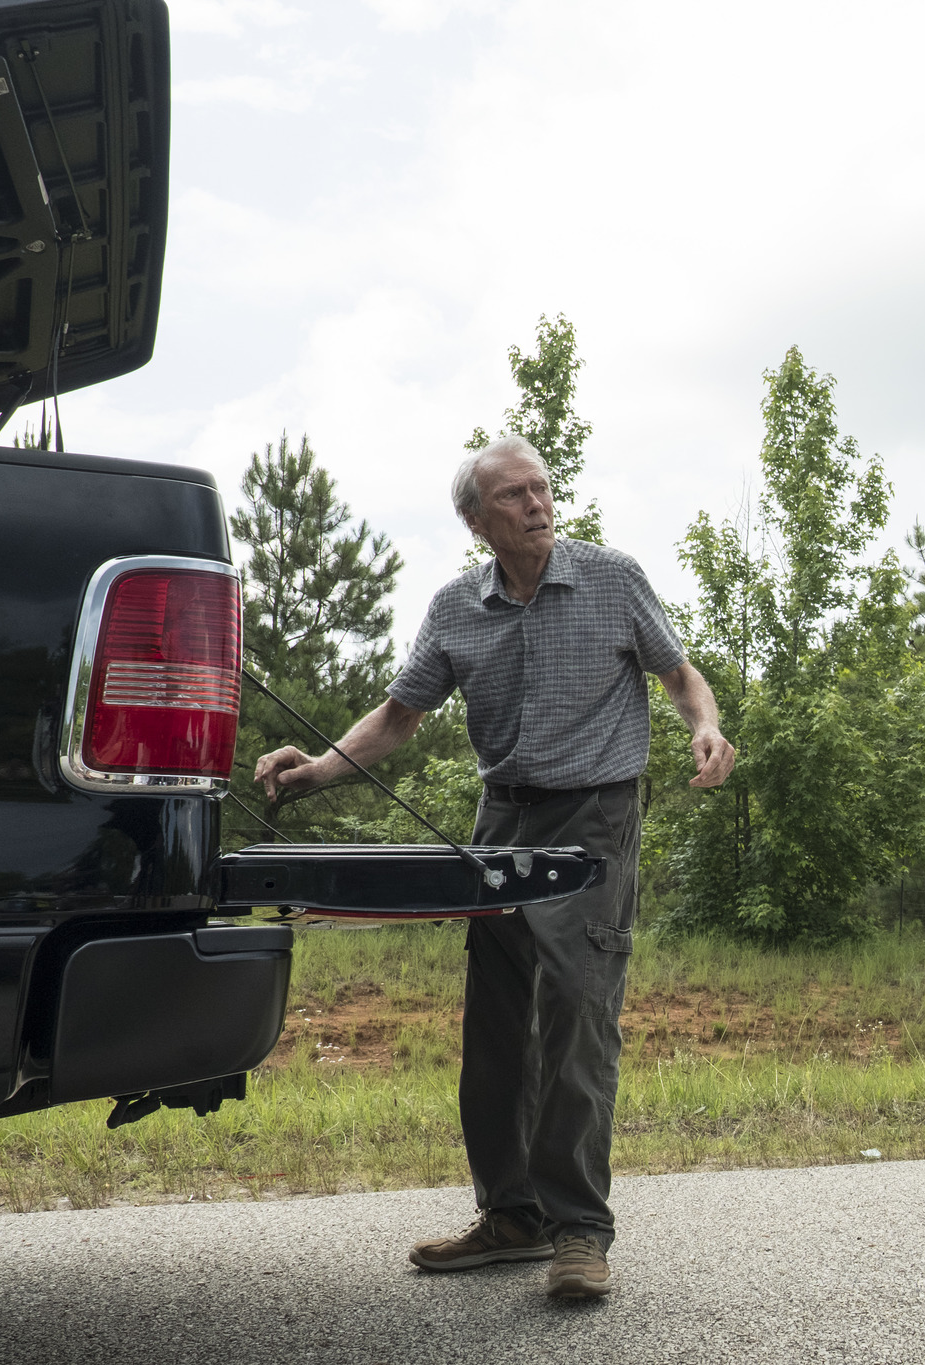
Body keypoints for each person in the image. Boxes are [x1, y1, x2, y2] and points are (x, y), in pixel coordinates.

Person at [254, 436, 736, 1299]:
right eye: (514, 495)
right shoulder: (454, 609)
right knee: (497, 1020)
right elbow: (399, 717)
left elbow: (681, 674)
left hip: (595, 815)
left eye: (542, 488)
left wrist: (705, 724)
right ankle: (510, 1214)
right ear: (477, 520)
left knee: (579, 1018)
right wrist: (319, 770)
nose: (538, 503)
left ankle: (579, 1231)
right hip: (501, 815)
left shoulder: (611, 578)